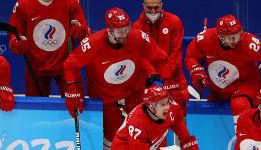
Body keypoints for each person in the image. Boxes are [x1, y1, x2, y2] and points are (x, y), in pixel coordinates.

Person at [63, 7, 173, 149]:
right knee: (113, 134)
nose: (124, 33)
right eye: (119, 30)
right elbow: (70, 65)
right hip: (104, 95)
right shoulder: (92, 44)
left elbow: (161, 59)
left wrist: (165, 82)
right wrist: (72, 89)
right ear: (109, 29)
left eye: (126, 28)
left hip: (132, 90)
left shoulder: (138, 38)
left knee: (150, 123)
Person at [184, 14, 261, 131]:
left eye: (238, 34)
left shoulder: (248, 44)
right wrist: (195, 69)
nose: (236, 40)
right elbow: (190, 56)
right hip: (219, 92)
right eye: (231, 37)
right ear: (220, 36)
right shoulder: (204, 39)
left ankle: (244, 141)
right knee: (212, 121)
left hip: (246, 86)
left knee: (240, 104)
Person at [8, 0, 90, 97]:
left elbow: (86, 34)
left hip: (67, 67)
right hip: (36, 66)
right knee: (36, 109)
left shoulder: (71, 2)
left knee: (76, 106)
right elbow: (14, 32)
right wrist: (16, 42)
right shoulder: (23, 4)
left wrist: (81, 32)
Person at [132, 0, 188, 115]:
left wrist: (166, 78)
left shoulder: (174, 21)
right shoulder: (137, 26)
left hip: (173, 77)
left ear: (162, 5)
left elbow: (176, 53)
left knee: (179, 115)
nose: (153, 12)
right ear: (143, 6)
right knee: (150, 117)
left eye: (156, 7)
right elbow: (140, 57)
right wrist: (152, 76)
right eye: (149, 8)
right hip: (149, 79)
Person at [111, 85, 199, 150]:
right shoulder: (137, 124)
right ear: (150, 107)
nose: (167, 107)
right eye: (162, 104)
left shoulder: (173, 108)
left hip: (154, 143)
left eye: (167, 102)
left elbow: (186, 138)